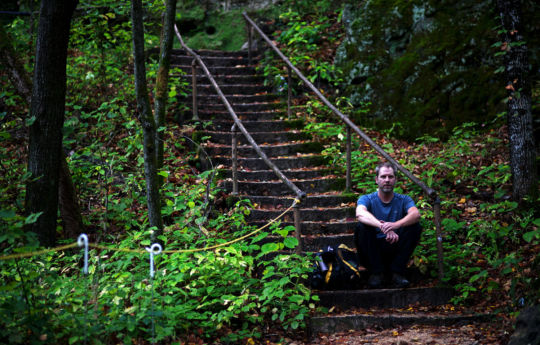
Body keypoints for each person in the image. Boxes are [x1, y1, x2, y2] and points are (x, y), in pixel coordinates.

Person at [354, 162, 422, 288]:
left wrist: (396, 225)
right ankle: (376, 273)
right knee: (361, 227)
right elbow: (360, 213)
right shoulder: (367, 199)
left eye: (390, 177)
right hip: (373, 249)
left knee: (415, 226)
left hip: (395, 247)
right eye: (383, 177)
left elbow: (416, 214)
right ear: (376, 179)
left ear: (395, 180)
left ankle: (397, 273)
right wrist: (382, 227)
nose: (387, 180)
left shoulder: (404, 199)